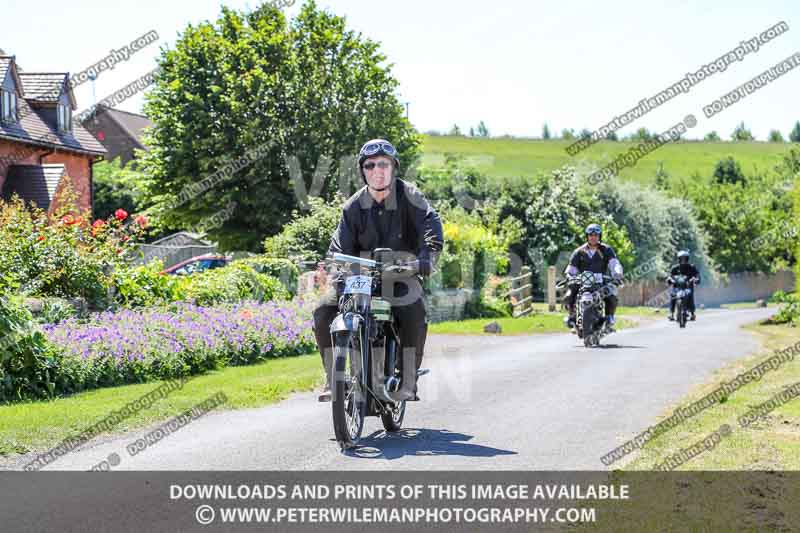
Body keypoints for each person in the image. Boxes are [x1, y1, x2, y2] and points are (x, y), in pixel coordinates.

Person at [313, 139, 444, 402]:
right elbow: (338, 249)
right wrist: (337, 273)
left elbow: (431, 228)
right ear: (363, 170)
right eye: (370, 165)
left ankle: (407, 379)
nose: (377, 170)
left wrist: (426, 259)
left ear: (393, 167)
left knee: (413, 310)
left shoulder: (411, 197)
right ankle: (333, 379)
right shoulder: (352, 207)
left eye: (383, 164)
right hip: (361, 277)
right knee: (323, 310)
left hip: (401, 275)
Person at [563, 223, 624, 328]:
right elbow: (571, 268)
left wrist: (617, 273)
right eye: (591, 235)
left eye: (596, 235)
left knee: (612, 295)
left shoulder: (606, 250)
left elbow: (614, 263)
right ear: (587, 236)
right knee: (569, 295)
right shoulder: (579, 252)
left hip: (601, 280)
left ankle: (609, 317)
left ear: (599, 236)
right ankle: (572, 316)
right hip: (583, 281)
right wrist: (569, 275)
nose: (593, 237)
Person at [667, 250, 700, 321]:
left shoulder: (691, 267)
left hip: (688, 286)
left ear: (687, 259)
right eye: (681, 258)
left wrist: (696, 279)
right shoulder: (674, 268)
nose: (683, 260)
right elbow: (670, 276)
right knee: (673, 295)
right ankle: (671, 313)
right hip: (677, 287)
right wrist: (670, 280)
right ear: (678, 259)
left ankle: (692, 313)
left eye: (685, 258)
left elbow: (697, 275)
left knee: (690, 296)